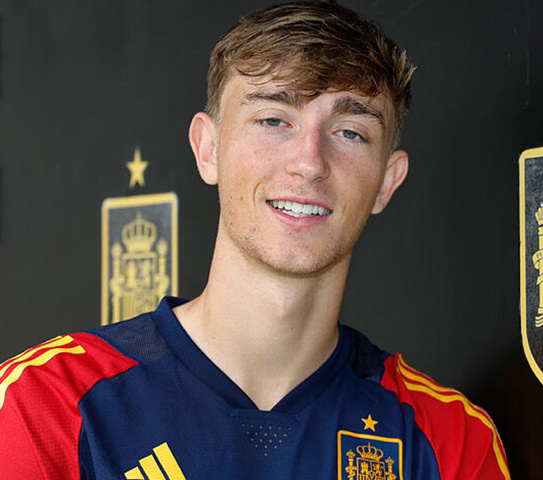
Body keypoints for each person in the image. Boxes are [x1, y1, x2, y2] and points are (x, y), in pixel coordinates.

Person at [0, 2, 510, 478]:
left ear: (386, 182)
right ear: (208, 150)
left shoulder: (449, 440)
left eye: (349, 132)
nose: (309, 162)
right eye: (273, 120)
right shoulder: (46, 405)